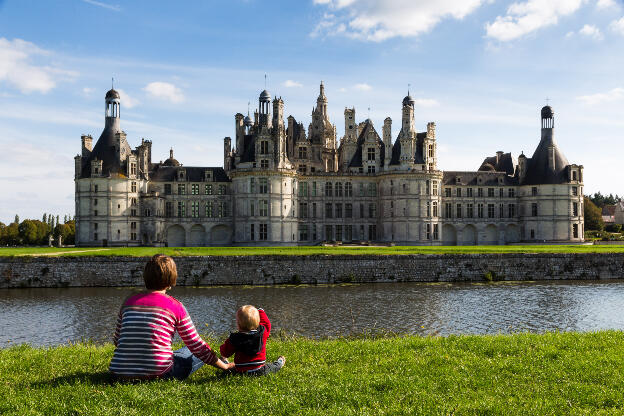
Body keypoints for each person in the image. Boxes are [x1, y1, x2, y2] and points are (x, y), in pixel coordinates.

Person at [109, 254, 234, 380]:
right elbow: (197, 346)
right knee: (192, 352)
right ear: (171, 279)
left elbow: (117, 340)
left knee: (178, 353)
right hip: (159, 373)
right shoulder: (175, 306)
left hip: (118, 373)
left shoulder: (128, 302)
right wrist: (225, 367)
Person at [219, 305, 286, 376]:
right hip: (259, 370)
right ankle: (280, 362)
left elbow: (225, 352)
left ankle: (224, 362)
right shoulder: (262, 333)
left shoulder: (235, 338)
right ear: (258, 322)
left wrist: (225, 345)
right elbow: (267, 324)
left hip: (240, 371)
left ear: (238, 324)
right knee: (272, 367)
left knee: (229, 369)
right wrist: (260, 311)